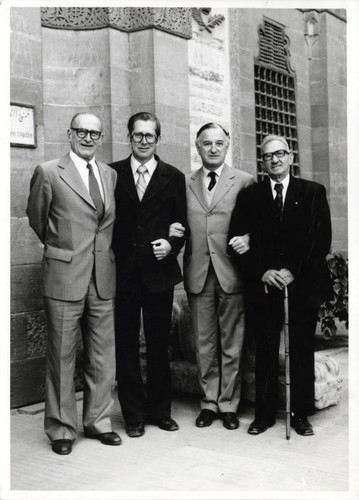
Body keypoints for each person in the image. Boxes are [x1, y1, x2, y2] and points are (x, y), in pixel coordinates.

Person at [26, 112, 121, 455]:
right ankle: (62, 429)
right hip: (65, 277)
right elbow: (39, 220)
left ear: (101, 137)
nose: (88, 137)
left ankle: (98, 422)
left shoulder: (109, 175)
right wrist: (63, 252)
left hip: (103, 279)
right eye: (81, 131)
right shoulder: (49, 172)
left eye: (95, 132)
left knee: (101, 357)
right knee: (62, 356)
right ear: (69, 133)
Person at [228, 134, 332, 436]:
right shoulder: (251, 196)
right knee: (266, 349)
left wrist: (292, 272)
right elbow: (235, 241)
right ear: (263, 162)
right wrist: (262, 271)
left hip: (301, 285)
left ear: (290, 157)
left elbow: (320, 240)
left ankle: (300, 414)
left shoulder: (312, 192)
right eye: (268, 156)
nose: (274, 159)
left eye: (280, 154)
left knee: (300, 349)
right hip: (264, 285)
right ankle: (264, 414)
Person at [171, 123, 254, 430]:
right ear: (198, 147)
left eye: (219, 143)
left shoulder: (244, 181)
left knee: (232, 342)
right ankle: (208, 403)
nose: (214, 148)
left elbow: (257, 224)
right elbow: (176, 220)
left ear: (228, 144)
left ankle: (229, 404)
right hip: (198, 272)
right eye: (207, 144)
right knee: (204, 343)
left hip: (231, 272)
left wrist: (249, 238)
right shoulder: (184, 183)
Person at [110, 112, 187, 438]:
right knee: (126, 344)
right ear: (129, 137)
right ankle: (133, 415)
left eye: (149, 136)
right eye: (138, 135)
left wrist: (170, 245)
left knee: (159, 344)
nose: (144, 141)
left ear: (158, 139)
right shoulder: (112, 173)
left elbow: (181, 224)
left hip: (159, 272)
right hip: (124, 272)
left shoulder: (173, 176)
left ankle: (160, 411)